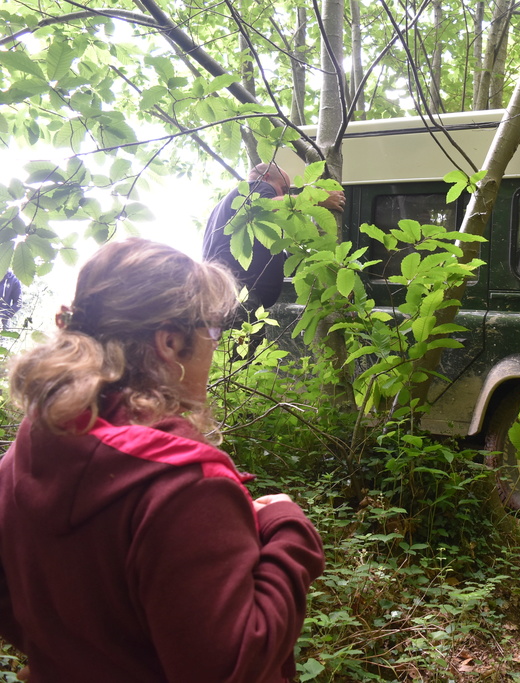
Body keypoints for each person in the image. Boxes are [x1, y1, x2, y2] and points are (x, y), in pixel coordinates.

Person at [0, 238, 325, 682]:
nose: (216, 347)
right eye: (211, 332)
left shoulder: (37, 442)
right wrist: (290, 531)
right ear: (170, 342)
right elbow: (234, 668)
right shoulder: (185, 488)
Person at [202, 162, 345, 313]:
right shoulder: (256, 186)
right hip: (237, 296)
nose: (283, 196)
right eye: (283, 190)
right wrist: (320, 199)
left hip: (225, 295)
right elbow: (266, 205)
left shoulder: (225, 209)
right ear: (266, 177)